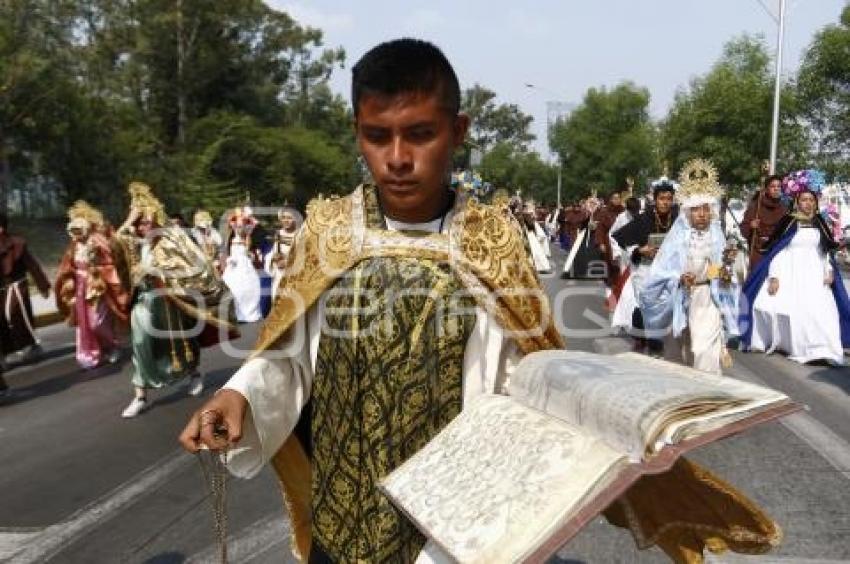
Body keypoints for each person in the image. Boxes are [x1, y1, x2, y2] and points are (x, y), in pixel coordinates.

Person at [180, 39, 780, 563]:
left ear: (458, 132)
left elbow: (527, 375)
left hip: (453, 524)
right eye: (376, 135)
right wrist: (240, 393)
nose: (397, 158)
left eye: (419, 133)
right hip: (346, 520)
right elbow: (288, 355)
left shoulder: (491, 239)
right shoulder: (328, 231)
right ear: (357, 133)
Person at [116, 182, 237, 418]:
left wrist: (155, 270)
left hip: (169, 302)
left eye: (145, 221)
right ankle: (140, 395)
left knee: (181, 344)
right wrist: (131, 219)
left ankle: (194, 374)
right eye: (139, 222)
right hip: (143, 301)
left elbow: (190, 267)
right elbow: (116, 239)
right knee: (140, 343)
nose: (142, 226)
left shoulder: (170, 240)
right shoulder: (136, 241)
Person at [640, 160, 740, 375]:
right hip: (681, 297)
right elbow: (659, 271)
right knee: (681, 350)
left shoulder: (716, 237)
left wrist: (723, 272)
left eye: (706, 209)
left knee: (703, 349)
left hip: (706, 298)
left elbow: (714, 269)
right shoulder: (677, 238)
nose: (701, 214)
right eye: (696, 210)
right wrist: (678, 278)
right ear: (687, 213)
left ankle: (708, 392)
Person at [741, 170, 850, 365]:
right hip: (791, 274)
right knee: (769, 307)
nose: (807, 204)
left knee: (822, 312)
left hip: (815, 276)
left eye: (811, 200)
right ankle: (795, 346)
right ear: (797, 201)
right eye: (804, 200)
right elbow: (777, 251)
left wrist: (830, 271)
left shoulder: (820, 222)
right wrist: (774, 277)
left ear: (815, 202)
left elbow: (825, 251)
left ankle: (823, 349)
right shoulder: (789, 222)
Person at [55, 201, 131, 369]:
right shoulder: (74, 246)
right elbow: (67, 267)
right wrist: (68, 282)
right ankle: (90, 354)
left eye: (79, 230)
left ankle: (112, 345)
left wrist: (97, 273)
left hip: (98, 287)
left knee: (98, 321)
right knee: (85, 324)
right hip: (81, 287)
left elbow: (110, 263)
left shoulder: (98, 242)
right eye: (73, 231)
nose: (76, 235)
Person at [612, 179, 678, 356]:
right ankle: (650, 343)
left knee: (664, 306)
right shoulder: (643, 219)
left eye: (669, 199)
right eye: (662, 198)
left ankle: (655, 340)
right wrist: (640, 250)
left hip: (668, 271)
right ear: (655, 200)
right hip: (645, 270)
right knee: (646, 305)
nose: (665, 202)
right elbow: (621, 238)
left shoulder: (678, 219)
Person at [0, 213, 51, 397]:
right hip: (2, 288)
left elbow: (32, 265)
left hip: (17, 284)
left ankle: (29, 346)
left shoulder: (17, 243)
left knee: (14, 313)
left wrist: (43, 285)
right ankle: (5, 354)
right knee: (2, 321)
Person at [221, 205, 263, 323]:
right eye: (238, 226)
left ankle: (250, 312)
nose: (240, 228)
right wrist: (229, 260)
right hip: (233, 267)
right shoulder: (230, 239)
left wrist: (251, 255)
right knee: (234, 288)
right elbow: (227, 253)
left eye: (242, 226)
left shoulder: (248, 238)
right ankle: (236, 313)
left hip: (246, 265)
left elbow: (251, 251)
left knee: (250, 287)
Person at [741, 174, 787, 269]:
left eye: (778, 186)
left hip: (776, 251)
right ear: (766, 189)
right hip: (758, 252)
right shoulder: (756, 206)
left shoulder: (784, 208)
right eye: (772, 186)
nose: (776, 189)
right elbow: (744, 228)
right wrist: (751, 225)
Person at [263, 207, 299, 300]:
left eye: (289, 218)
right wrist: (273, 258)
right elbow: (271, 254)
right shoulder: (278, 234)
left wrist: (287, 262)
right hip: (279, 276)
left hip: (294, 277)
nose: (286, 221)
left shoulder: (300, 235)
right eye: (284, 218)